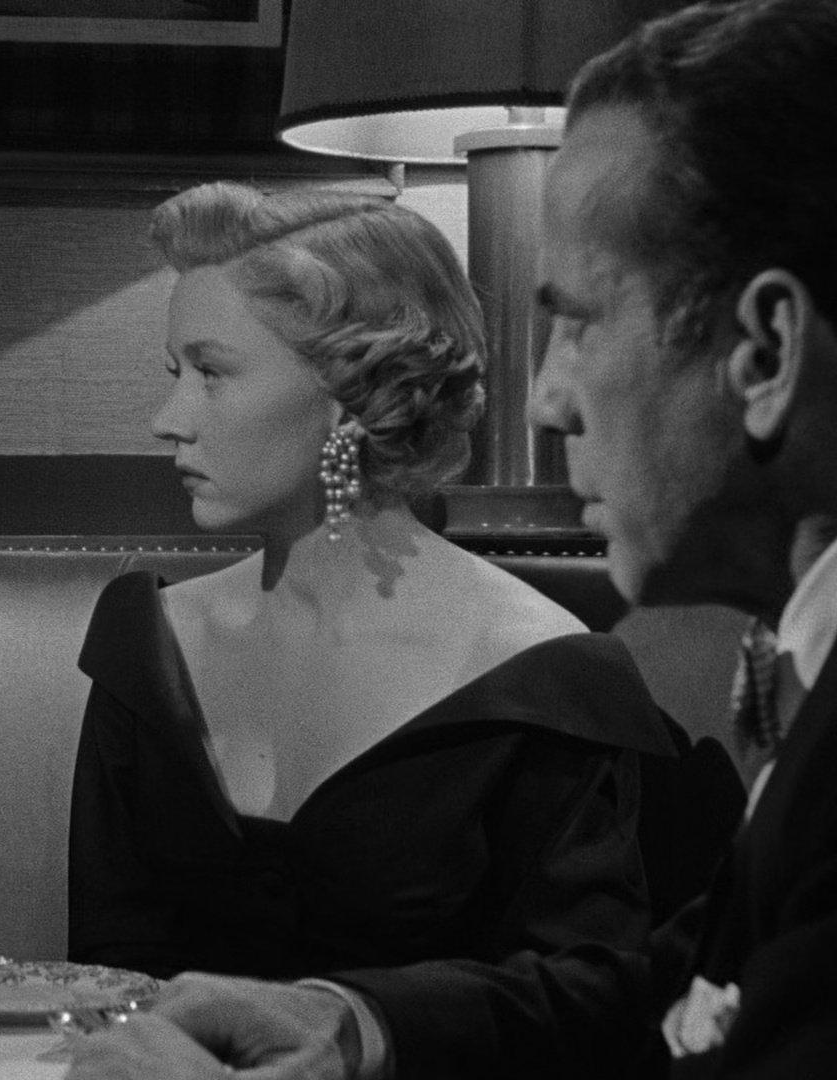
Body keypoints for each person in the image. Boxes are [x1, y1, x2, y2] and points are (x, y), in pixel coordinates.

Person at [67, 0, 837, 1076]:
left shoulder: (557, 673)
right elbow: (669, 990)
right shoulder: (805, 672)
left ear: (766, 352)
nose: (548, 398)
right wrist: (354, 1021)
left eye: (582, 322)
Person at [67, 181, 677, 1076]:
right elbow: (103, 976)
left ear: (351, 392)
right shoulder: (149, 645)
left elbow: (591, 999)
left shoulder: (537, 674)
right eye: (174, 375)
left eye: (212, 372)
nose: (170, 421)